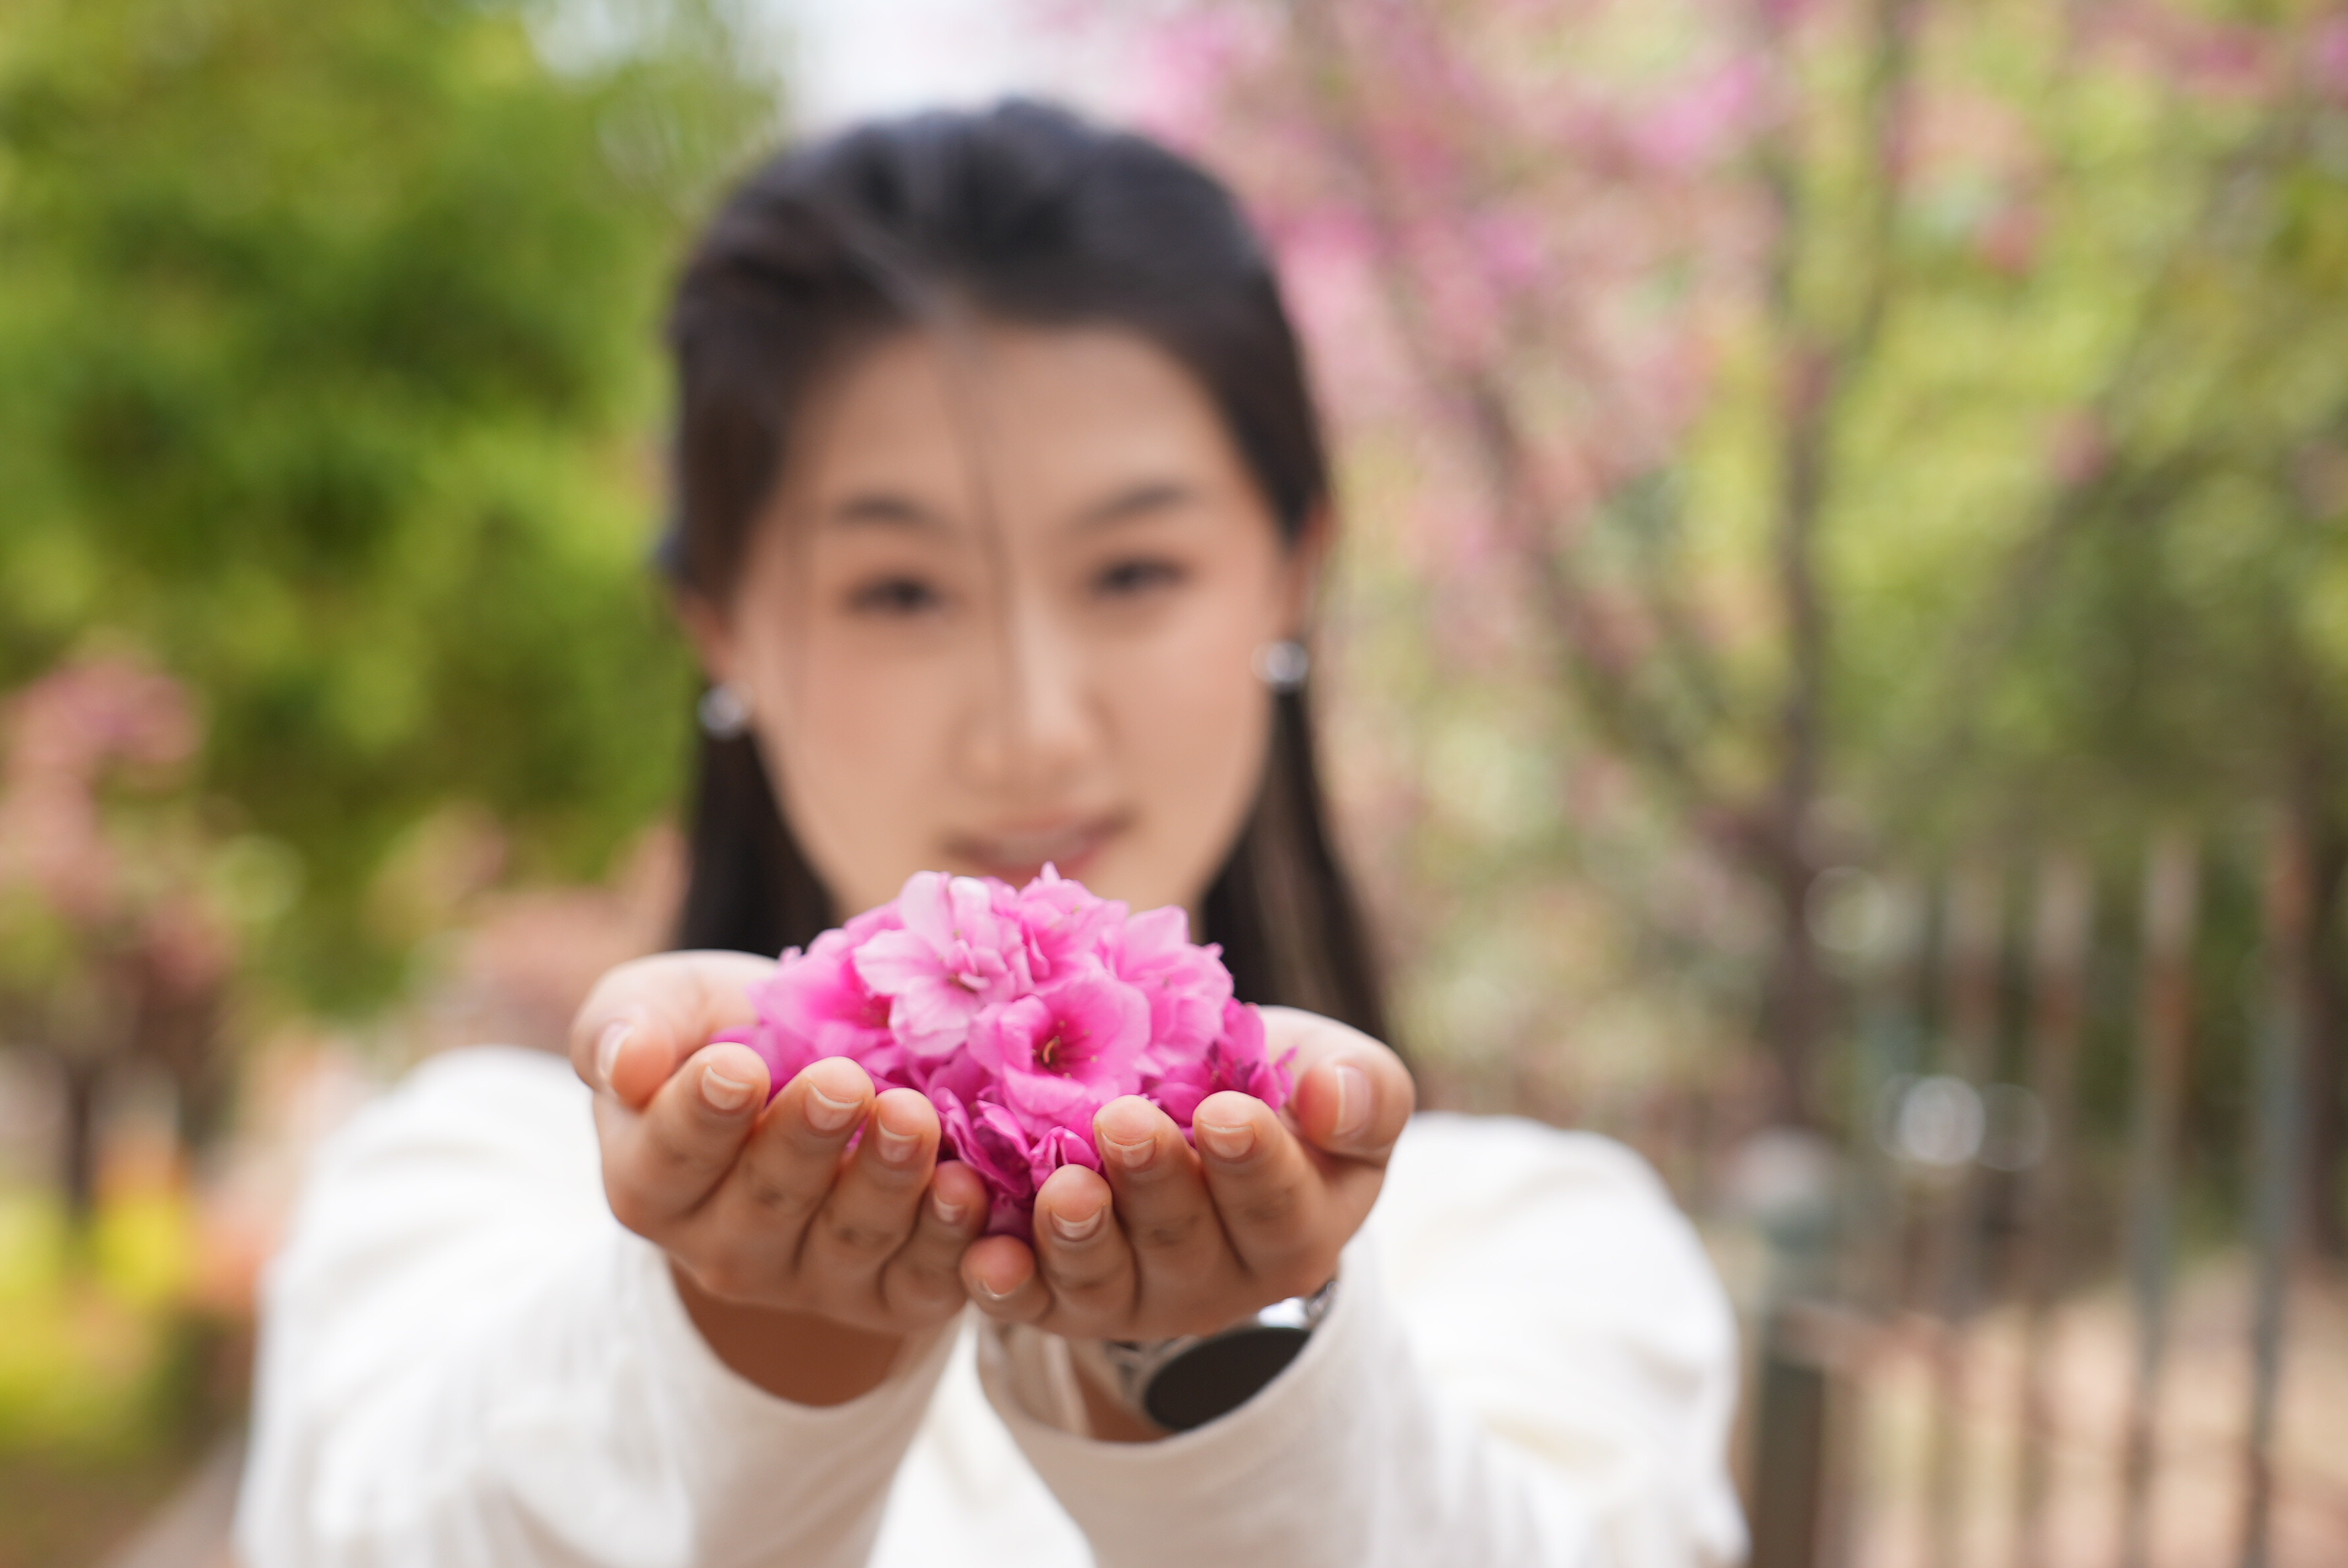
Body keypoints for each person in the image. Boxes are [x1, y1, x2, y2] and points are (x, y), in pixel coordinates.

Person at [238, 102, 1744, 1568]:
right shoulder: (451, 1193)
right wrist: (751, 1324)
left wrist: (1217, 1352)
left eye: (1134, 572)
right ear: (721, 629)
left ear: (1293, 573)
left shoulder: (1550, 1249)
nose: (1032, 727)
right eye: (900, 591)